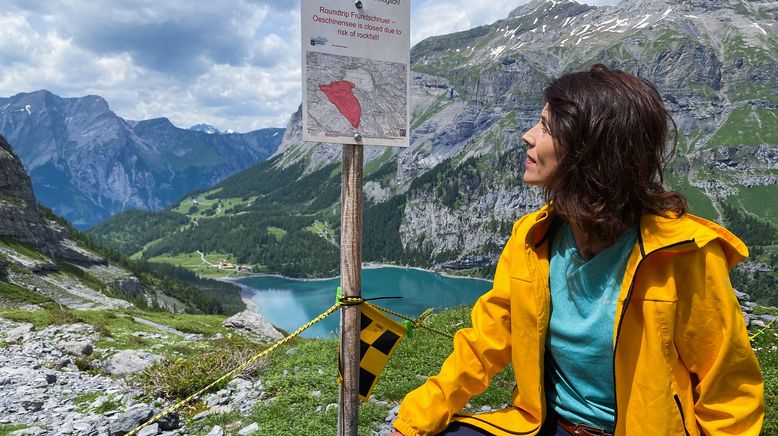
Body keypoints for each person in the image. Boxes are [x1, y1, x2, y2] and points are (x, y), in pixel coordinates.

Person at [389, 65, 764, 436]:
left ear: (592, 149)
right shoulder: (532, 237)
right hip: (542, 426)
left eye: (546, 127)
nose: (526, 136)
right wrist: (413, 422)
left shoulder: (684, 253)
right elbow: (485, 340)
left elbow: (729, 391)